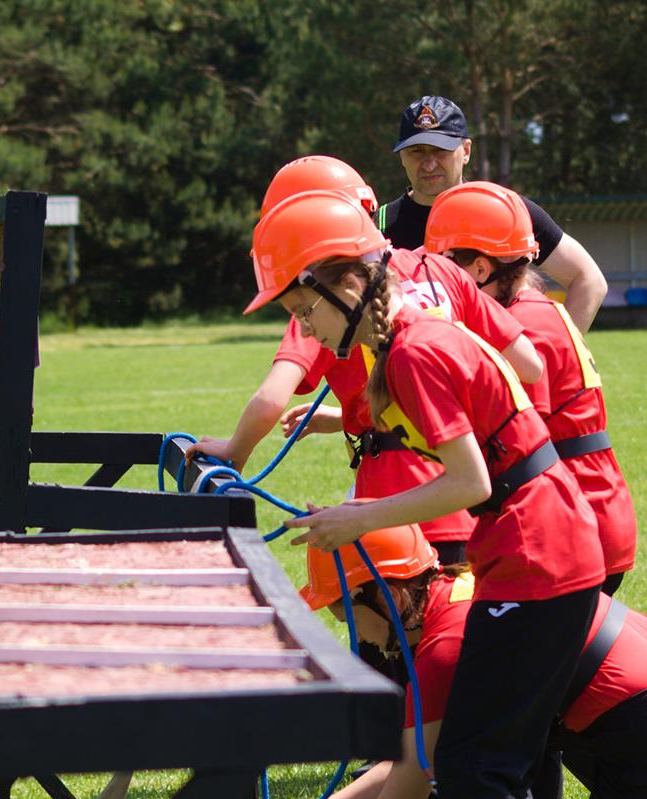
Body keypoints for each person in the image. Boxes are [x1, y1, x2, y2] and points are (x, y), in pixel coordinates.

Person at [251, 189, 605, 799]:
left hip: (538, 550)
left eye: (305, 309)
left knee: (477, 767)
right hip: (531, 541)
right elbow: (516, 373)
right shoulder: (406, 337)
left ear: (349, 284)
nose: (304, 327)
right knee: (490, 756)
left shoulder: (412, 350)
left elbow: (472, 481)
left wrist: (359, 520)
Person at [187, 155, 542, 567]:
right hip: (476, 506)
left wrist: (234, 451)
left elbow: (271, 399)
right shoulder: (436, 267)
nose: (305, 325)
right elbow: (527, 367)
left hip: (397, 502)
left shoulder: (329, 300)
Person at [300, 524, 647, 799]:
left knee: (461, 769)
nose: (355, 634)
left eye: (347, 616)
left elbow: (409, 783)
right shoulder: (458, 587)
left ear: (388, 597)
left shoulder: (446, 646)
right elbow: (412, 759)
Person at [424, 181, 637, 596]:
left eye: (449, 270)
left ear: (481, 270)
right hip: (589, 510)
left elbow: (516, 444)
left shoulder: (524, 329)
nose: (443, 285)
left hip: (573, 524)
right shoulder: (537, 312)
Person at [378, 95, 609, 333]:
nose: (429, 164)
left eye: (440, 150)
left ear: (466, 151)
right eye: (416, 151)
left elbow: (589, 280)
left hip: (499, 357)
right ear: (401, 157)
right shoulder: (376, 226)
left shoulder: (504, 211)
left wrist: (554, 350)